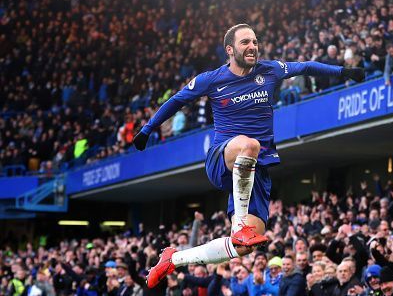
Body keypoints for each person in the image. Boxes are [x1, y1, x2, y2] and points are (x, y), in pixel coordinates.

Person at [133, 23, 364, 288]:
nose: (252, 46)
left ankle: (173, 259)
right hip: (223, 157)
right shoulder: (212, 79)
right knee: (249, 145)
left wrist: (345, 72)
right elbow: (176, 100)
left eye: (255, 41)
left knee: (244, 247)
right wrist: (147, 129)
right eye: (245, 42)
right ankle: (241, 224)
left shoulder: (270, 70)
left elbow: (307, 66)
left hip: (256, 171)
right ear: (230, 50)